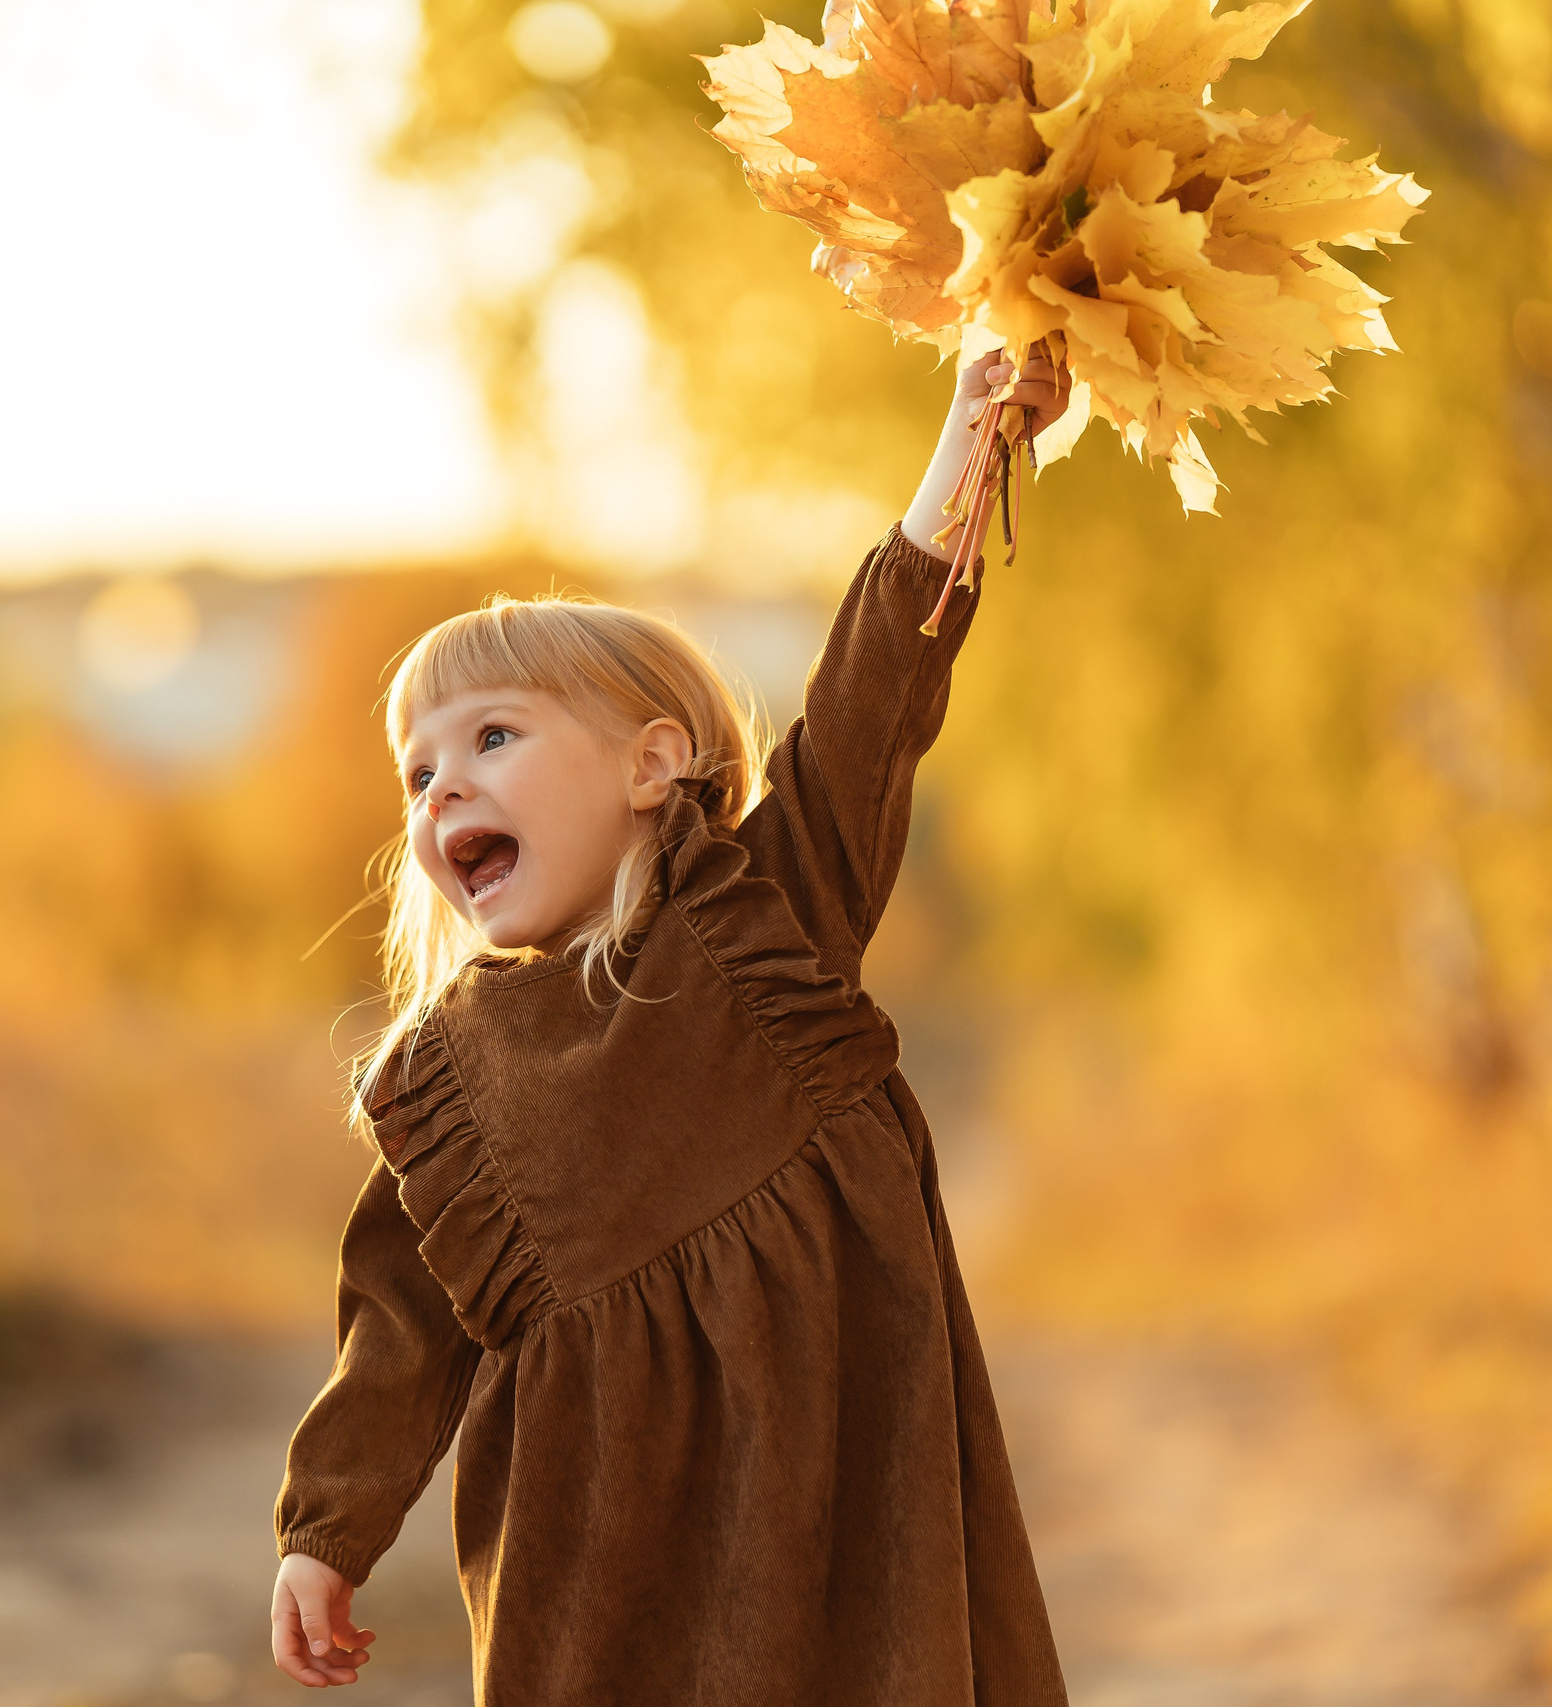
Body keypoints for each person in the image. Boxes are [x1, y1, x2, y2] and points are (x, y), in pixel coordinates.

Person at [270, 345, 1074, 1704]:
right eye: (417, 770)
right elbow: (399, 1325)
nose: (440, 789)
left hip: (837, 1519)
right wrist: (325, 1531)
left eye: (493, 740)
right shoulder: (447, 1082)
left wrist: (975, 433)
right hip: (599, 1576)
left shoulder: (760, 926)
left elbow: (877, 695)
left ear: (654, 764)